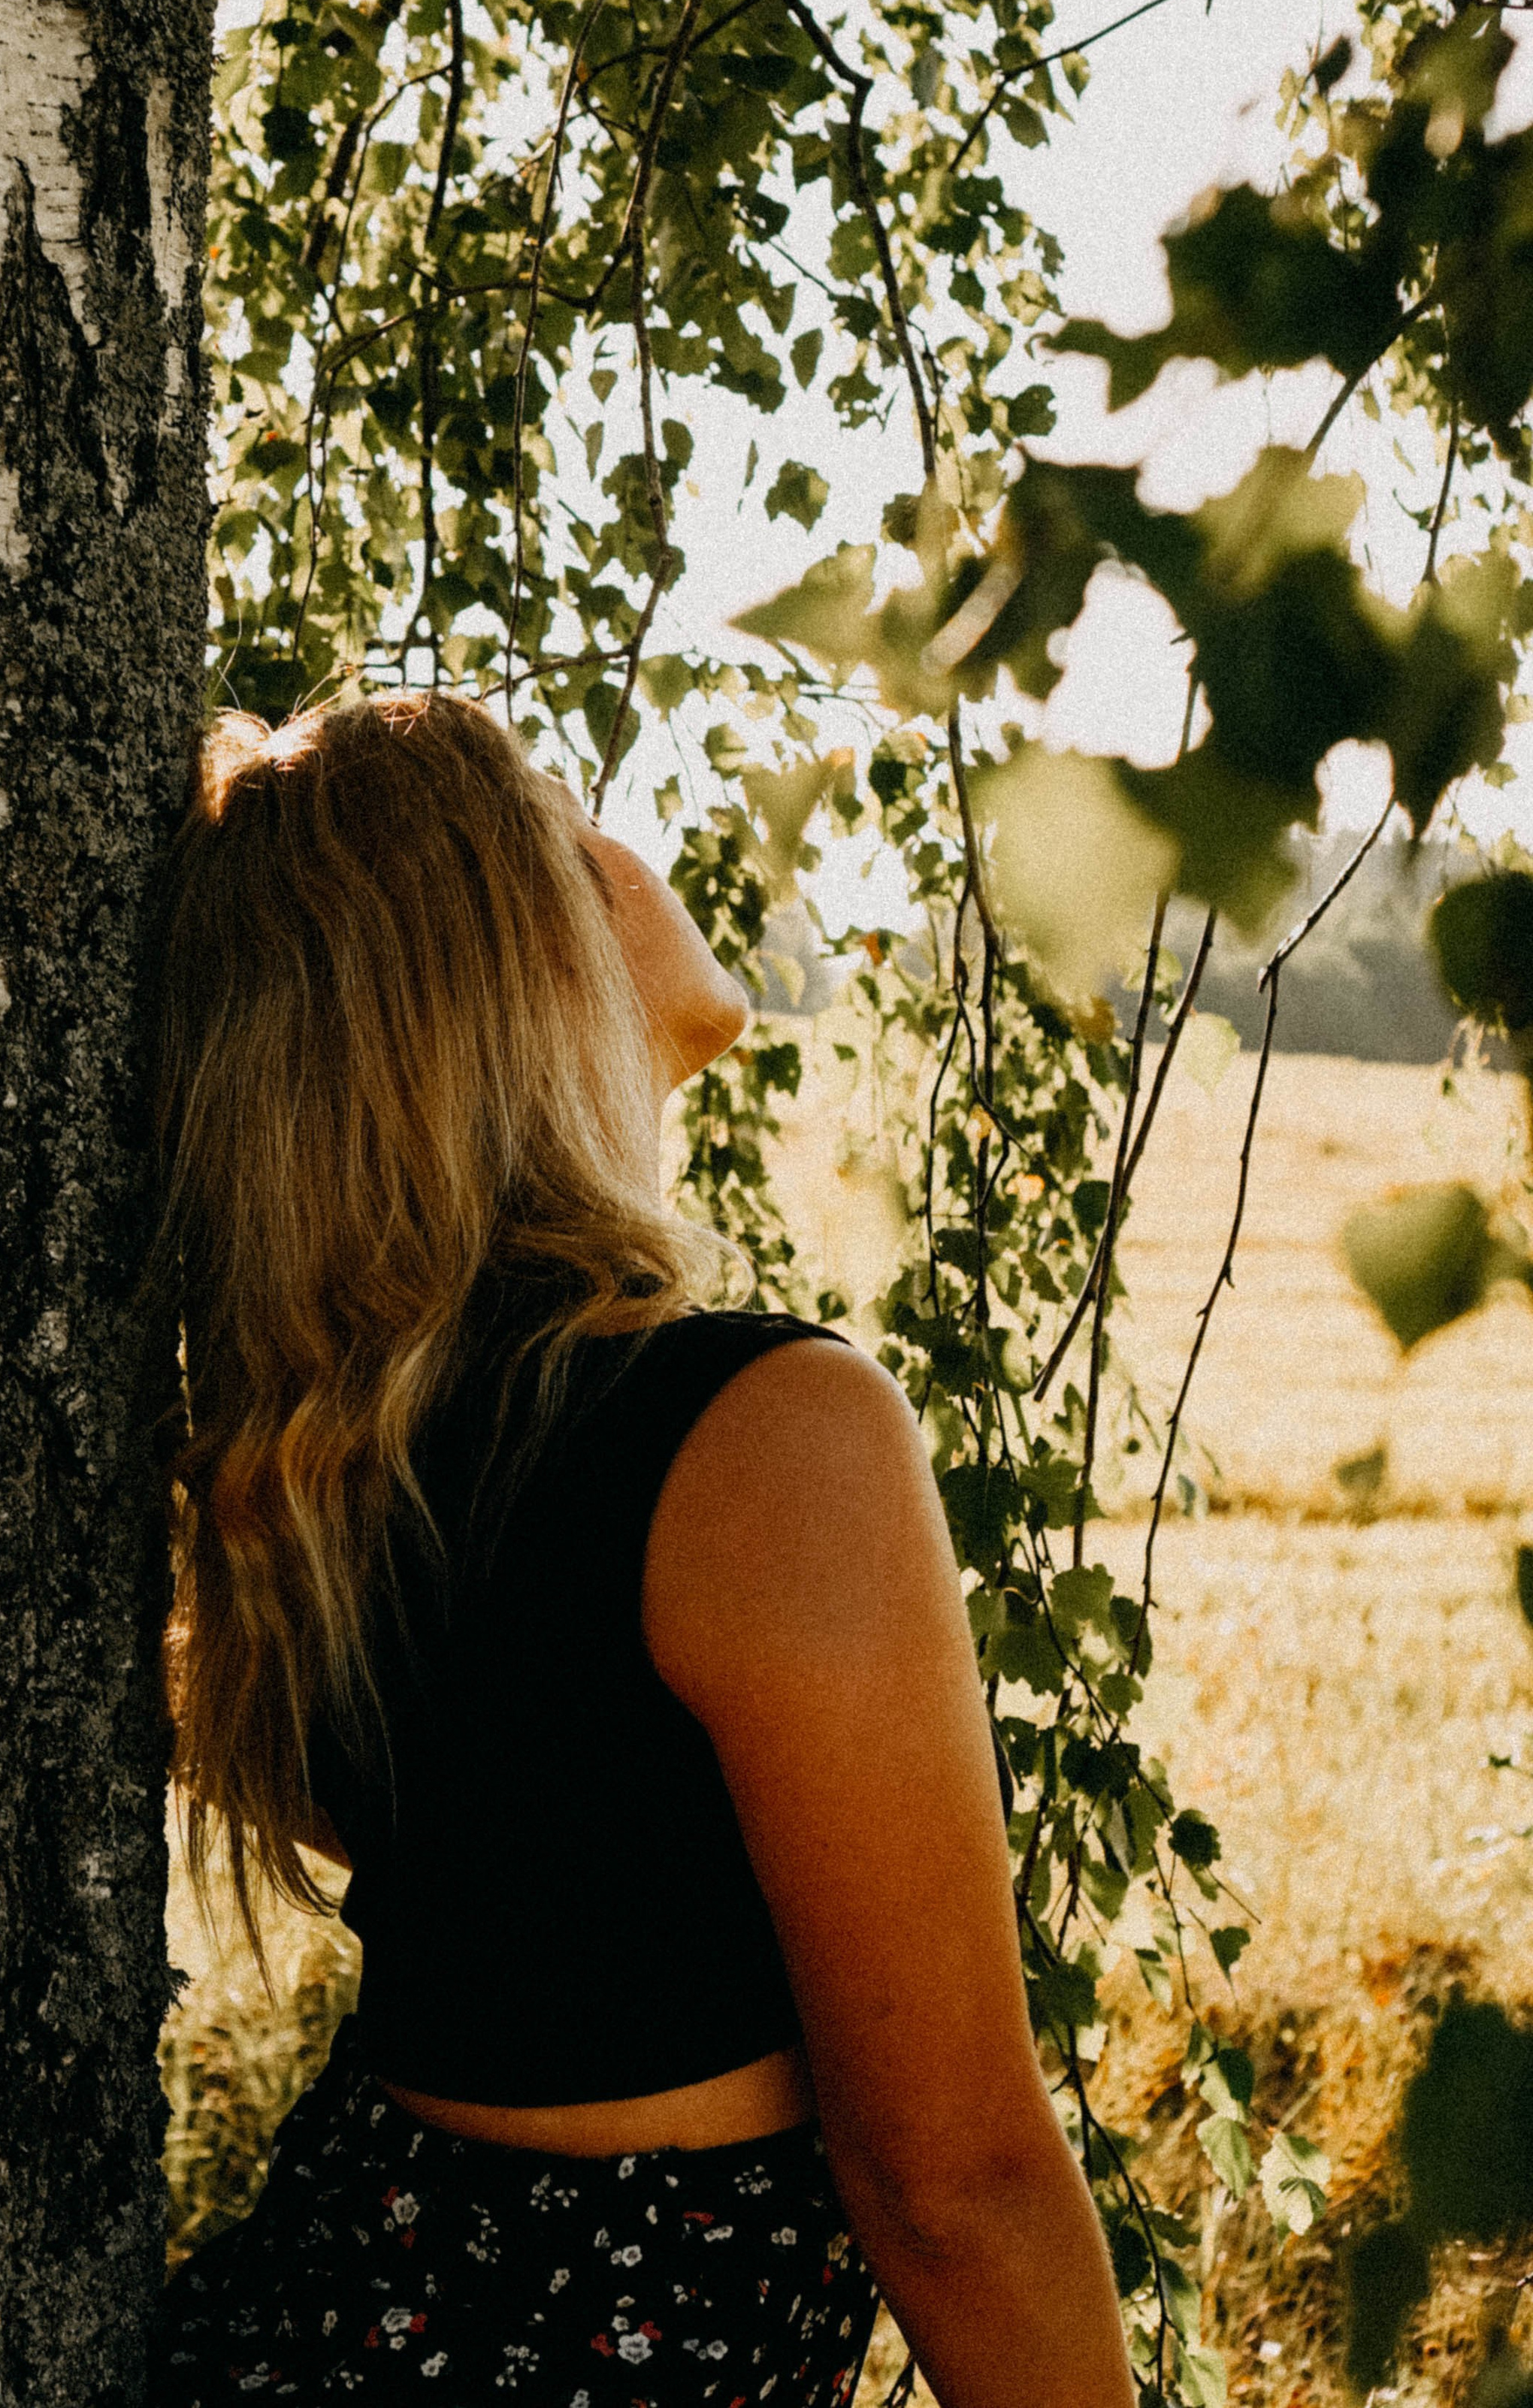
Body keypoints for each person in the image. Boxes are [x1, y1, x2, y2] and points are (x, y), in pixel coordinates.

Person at [145, 692, 1134, 2407]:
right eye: (558, 815)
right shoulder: (759, 1440)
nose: (622, 847)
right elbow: (954, 2186)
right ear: (517, 955)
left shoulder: (314, 1469)